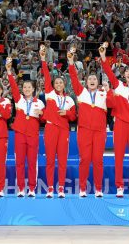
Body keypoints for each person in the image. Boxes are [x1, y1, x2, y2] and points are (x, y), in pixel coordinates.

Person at [68, 47, 114, 198]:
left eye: (95, 79)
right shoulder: (81, 93)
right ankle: (82, 188)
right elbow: (74, 78)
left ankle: (98, 189)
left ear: (98, 82)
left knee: (98, 160)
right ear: (86, 82)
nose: (92, 81)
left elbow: (113, 104)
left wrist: (108, 91)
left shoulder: (103, 93)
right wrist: (70, 61)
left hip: (100, 131)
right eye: (90, 79)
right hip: (84, 131)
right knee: (85, 159)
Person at [100, 45, 129, 198]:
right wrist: (104, 58)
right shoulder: (118, 86)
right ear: (124, 75)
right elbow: (109, 73)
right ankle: (119, 187)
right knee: (119, 156)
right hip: (121, 124)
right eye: (127, 72)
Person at [40, 46, 77, 198]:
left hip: (64, 130)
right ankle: (50, 188)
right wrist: (43, 59)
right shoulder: (49, 94)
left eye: (61, 83)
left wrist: (66, 113)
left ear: (64, 84)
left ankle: (60, 187)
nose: (59, 85)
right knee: (50, 160)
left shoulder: (69, 99)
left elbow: (74, 117)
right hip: (50, 129)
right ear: (54, 85)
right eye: (57, 83)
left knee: (62, 160)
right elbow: (47, 76)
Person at [6, 58, 44, 198]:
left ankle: (32, 189)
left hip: (33, 135)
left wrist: (42, 114)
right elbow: (13, 85)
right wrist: (9, 72)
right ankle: (21, 188)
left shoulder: (39, 102)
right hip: (20, 134)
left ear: (33, 89)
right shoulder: (19, 100)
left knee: (32, 162)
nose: (26, 89)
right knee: (20, 162)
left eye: (29, 87)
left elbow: (45, 118)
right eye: (25, 87)